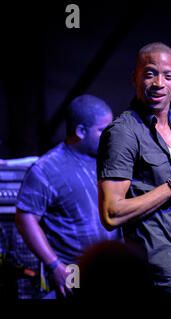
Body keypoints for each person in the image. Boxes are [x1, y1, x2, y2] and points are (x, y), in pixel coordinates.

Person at [96, 42, 171, 299]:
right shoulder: (123, 132)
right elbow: (110, 214)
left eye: (168, 76)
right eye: (150, 73)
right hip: (156, 272)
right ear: (135, 78)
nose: (159, 83)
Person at [15, 94, 121, 298]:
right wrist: (55, 265)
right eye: (102, 130)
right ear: (81, 131)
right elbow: (24, 218)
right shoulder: (46, 169)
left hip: (108, 269)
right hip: (74, 273)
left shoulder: (106, 159)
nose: (109, 135)